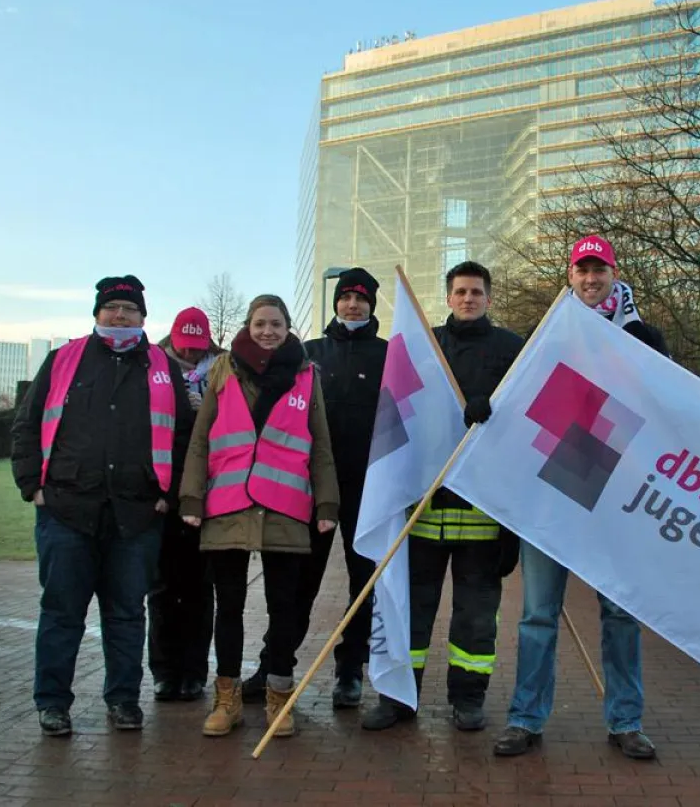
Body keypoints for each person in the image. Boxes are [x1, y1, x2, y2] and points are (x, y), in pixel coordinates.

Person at [493, 235, 668, 761]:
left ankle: (626, 720)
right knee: (538, 615)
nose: (591, 278)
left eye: (600, 269)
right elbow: (518, 402)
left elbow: (670, 411)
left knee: (620, 615)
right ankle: (525, 718)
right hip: (553, 491)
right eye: (582, 269)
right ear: (569, 276)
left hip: (618, 498)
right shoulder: (546, 332)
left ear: (615, 274)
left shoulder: (645, 336)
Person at [11, 275, 194, 737]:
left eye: (129, 310)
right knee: (61, 613)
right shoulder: (63, 360)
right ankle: (52, 702)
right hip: (67, 511)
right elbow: (27, 425)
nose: (119, 316)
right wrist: (32, 485)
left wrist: (167, 497)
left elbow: (185, 437)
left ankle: (124, 700)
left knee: (127, 614)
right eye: (111, 308)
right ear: (97, 313)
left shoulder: (161, 366)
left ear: (142, 318)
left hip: (135, 516)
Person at [361, 261, 523, 733]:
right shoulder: (421, 347)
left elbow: (522, 417)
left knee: (476, 621)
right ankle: (398, 697)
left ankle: (468, 700)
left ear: (488, 298)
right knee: (410, 613)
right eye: (460, 291)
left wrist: (495, 411)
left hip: (483, 512)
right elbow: (400, 411)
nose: (468, 298)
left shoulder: (514, 350)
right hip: (423, 508)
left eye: (476, 292)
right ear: (448, 298)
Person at [178, 294, 340, 739]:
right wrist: (191, 499)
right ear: (247, 326)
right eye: (259, 323)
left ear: (289, 327)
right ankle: (227, 699)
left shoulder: (308, 376)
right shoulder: (222, 370)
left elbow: (320, 444)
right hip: (227, 506)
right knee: (228, 606)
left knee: (283, 608)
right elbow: (201, 438)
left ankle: (278, 698)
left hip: (286, 507)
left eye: (276, 324)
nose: (267, 331)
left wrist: (327, 504)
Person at [241, 269, 386, 709]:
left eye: (361, 299)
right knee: (299, 583)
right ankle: (274, 664)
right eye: (346, 298)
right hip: (312, 486)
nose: (353, 306)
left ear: (372, 306)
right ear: (336, 303)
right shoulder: (308, 354)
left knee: (365, 581)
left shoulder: (389, 354)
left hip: (367, 485)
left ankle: (349, 670)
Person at [147, 307, 222, 703]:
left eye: (198, 349)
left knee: (199, 589)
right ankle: (163, 670)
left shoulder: (225, 371)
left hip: (208, 496)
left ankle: (193, 671)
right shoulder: (152, 368)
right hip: (163, 494)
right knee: (161, 589)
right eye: (184, 348)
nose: (191, 357)